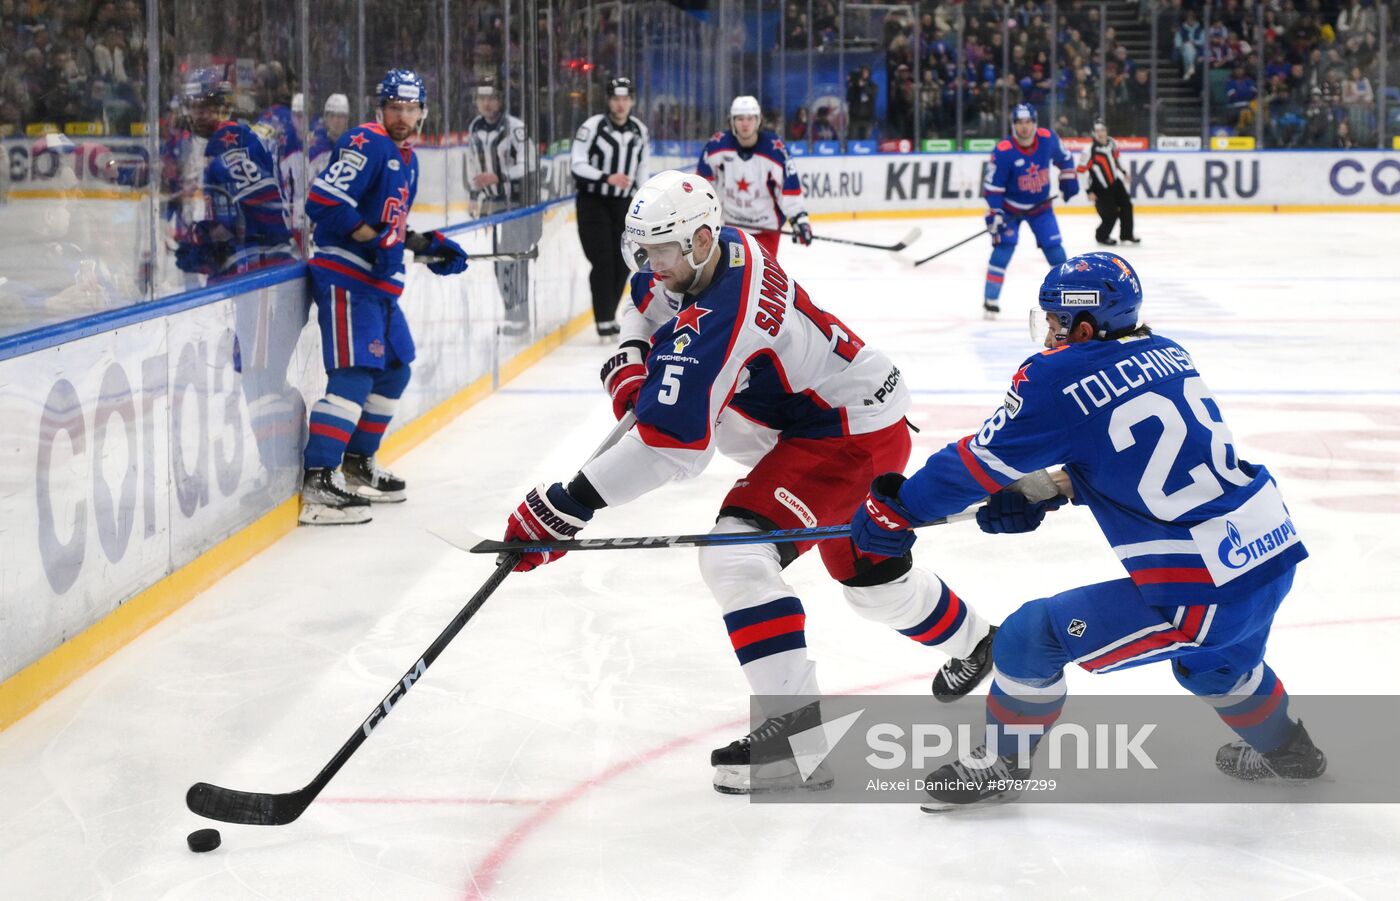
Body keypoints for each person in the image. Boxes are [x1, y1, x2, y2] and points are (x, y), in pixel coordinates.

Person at [508, 170, 995, 794]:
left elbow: (675, 447)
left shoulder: (724, 312)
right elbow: (641, 298)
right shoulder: (715, 250)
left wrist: (567, 504)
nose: (651, 264)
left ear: (701, 241)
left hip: (848, 435)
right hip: (825, 422)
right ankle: (979, 641)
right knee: (868, 581)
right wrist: (631, 359)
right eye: (648, 248)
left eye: (661, 251)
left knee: (737, 557)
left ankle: (795, 743)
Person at [848, 253, 1322, 811]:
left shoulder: (1056, 377)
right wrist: (1046, 488)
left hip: (1204, 586)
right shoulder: (1168, 352)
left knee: (1030, 635)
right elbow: (1132, 449)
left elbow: (970, 467)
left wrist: (897, 510)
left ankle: (1001, 764)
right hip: (1267, 550)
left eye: (1054, 322)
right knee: (1217, 666)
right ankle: (1292, 752)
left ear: (1084, 326)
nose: (1047, 334)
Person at [298, 68, 469, 526]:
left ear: (423, 112)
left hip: (378, 285)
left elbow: (388, 228)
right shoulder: (367, 141)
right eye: (395, 106)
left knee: (395, 368)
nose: (402, 115)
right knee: (356, 373)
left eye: (411, 108)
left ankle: (356, 463)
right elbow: (324, 201)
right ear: (381, 108)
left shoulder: (406, 158)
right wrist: (372, 238)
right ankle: (319, 479)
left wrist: (424, 245)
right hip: (348, 279)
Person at [173, 68, 295, 282]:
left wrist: (210, 241)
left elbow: (260, 210)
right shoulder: (229, 138)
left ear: (223, 107)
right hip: (257, 257)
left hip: (256, 262)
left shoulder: (229, 140)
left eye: (205, 107)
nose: (197, 114)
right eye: (193, 107)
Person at [980, 103, 1079, 320]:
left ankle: (1070, 296)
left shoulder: (1048, 138)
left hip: (1041, 206)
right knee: (1003, 249)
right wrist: (995, 212)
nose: (1024, 127)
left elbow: (1065, 158)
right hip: (1010, 208)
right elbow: (993, 187)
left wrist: (1068, 177)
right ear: (1013, 125)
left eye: (1028, 122)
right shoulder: (1004, 151)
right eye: (1019, 123)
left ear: (1035, 123)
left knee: (1054, 249)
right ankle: (990, 300)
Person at [571, 76, 649, 338]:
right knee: (603, 259)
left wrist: (644, 199)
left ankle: (608, 315)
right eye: (616, 99)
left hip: (624, 204)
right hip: (593, 201)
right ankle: (603, 319)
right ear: (608, 100)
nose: (620, 104)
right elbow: (577, 163)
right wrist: (606, 177)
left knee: (624, 261)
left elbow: (642, 168)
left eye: (625, 99)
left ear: (632, 101)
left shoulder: (639, 130)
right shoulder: (592, 127)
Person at [696, 95, 812, 260]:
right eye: (740, 118)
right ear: (732, 121)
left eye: (750, 118)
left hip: (766, 230)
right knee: (732, 281)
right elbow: (704, 186)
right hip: (731, 230)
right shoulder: (716, 146)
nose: (745, 123)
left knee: (761, 281)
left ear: (758, 121)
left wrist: (800, 220)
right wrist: (701, 217)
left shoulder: (775, 149)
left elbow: (789, 188)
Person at [465, 78, 536, 336]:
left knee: (514, 260)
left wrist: (501, 176)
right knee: (499, 262)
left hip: (517, 204)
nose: (485, 103)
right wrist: (474, 194)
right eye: (481, 98)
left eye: (491, 97)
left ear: (500, 100)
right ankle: (511, 312)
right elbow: (473, 163)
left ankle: (520, 316)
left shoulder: (515, 127)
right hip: (493, 204)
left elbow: (530, 163)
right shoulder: (474, 127)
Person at [1080, 119, 1138, 247]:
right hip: (1099, 187)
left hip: (1115, 182)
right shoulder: (1089, 150)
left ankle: (1126, 235)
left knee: (1127, 206)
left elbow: (1117, 159)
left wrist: (1124, 172)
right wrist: (1088, 191)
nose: (1100, 133)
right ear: (1093, 133)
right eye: (1097, 131)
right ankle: (1101, 236)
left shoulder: (1112, 143)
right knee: (1110, 214)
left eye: (1102, 130)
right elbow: (1081, 171)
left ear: (1106, 131)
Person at [307, 93, 351, 178]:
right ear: (326, 118)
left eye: (340, 116)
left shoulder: (353, 147)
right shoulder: (315, 148)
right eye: (332, 115)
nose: (336, 120)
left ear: (347, 119)